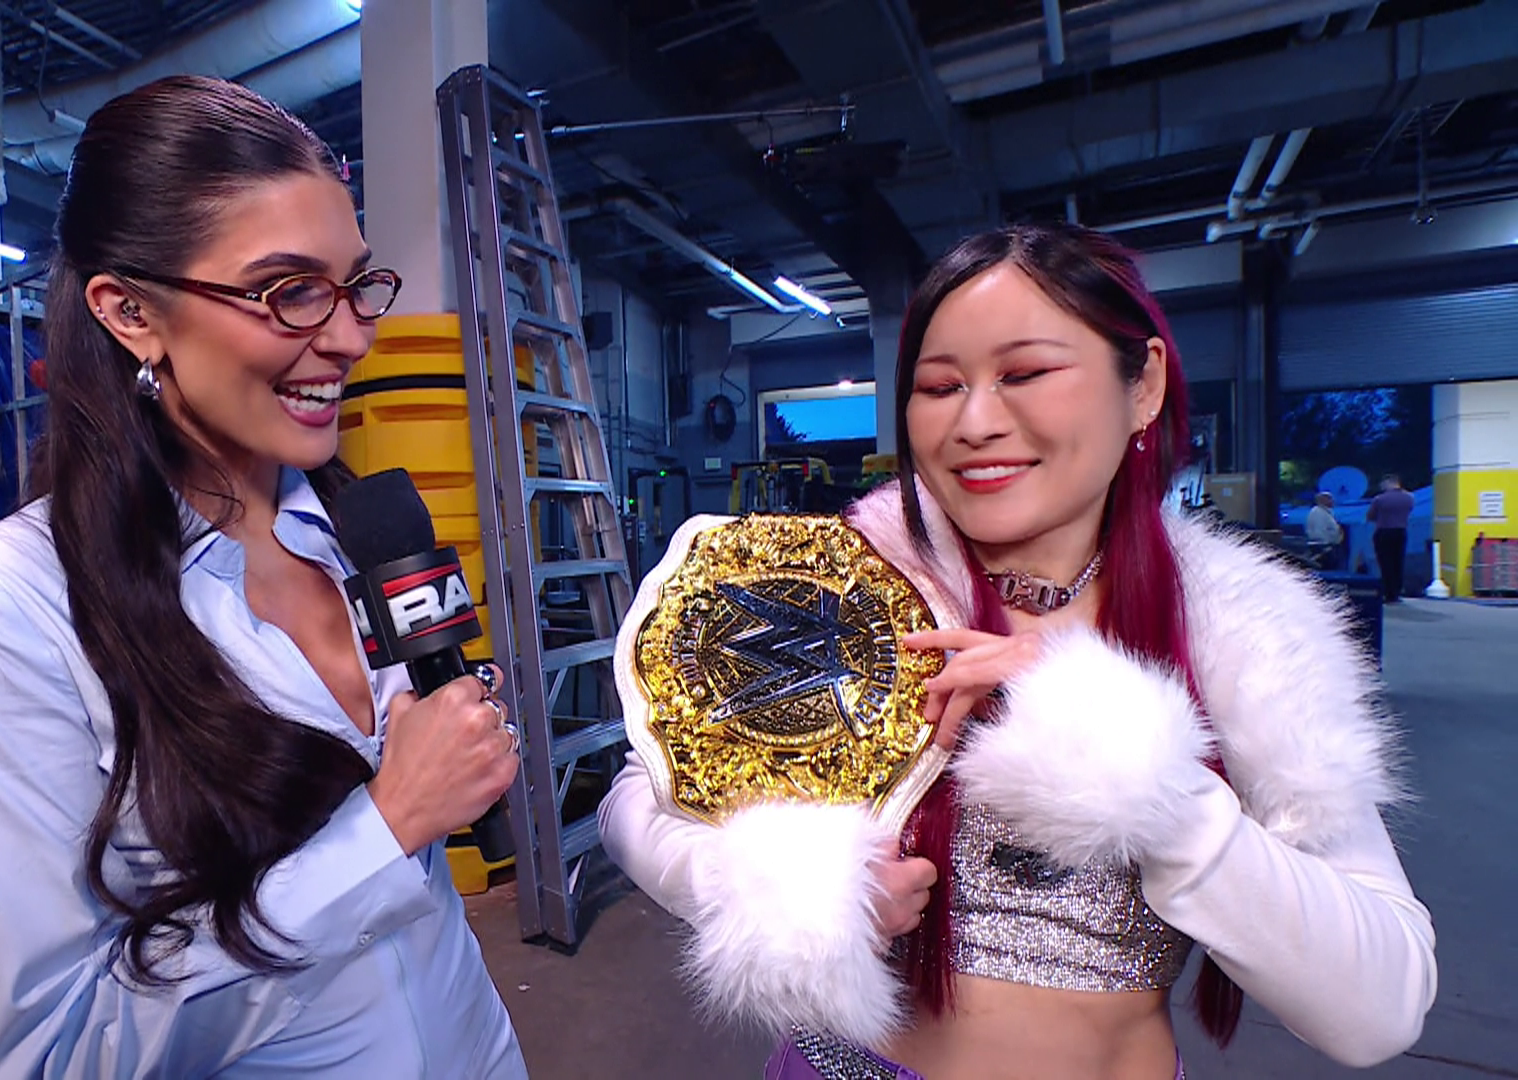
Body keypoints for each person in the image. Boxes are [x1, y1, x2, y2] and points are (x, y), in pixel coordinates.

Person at [599, 223, 1435, 1080]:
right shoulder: (833, 585)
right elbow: (638, 799)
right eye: (939, 386)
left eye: (1026, 373)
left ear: (1143, 385)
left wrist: (1136, 771)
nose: (975, 422)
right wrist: (791, 890)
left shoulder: (1241, 634)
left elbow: (1380, 1008)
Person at [0, 76, 527, 1079]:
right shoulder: (1, 612)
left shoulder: (360, 530)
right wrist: (388, 824)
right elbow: (65, 1050)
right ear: (130, 312)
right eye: (287, 291)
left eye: (355, 284)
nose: (350, 337)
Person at [1368, 474, 1416, 601]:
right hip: (1401, 531)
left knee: (1385, 562)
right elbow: (1409, 511)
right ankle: (1397, 591)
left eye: (1383, 484)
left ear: (1388, 482)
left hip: (1384, 531)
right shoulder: (1409, 498)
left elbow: (1370, 516)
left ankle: (1388, 592)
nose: (1381, 486)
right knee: (1398, 561)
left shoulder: (1379, 499)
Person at [1306, 491, 1344, 569]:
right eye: (1330, 499)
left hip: (1328, 547)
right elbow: (1319, 532)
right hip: (1323, 548)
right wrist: (1329, 543)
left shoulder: (1326, 513)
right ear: (1322, 500)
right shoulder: (1317, 513)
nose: (1332, 501)